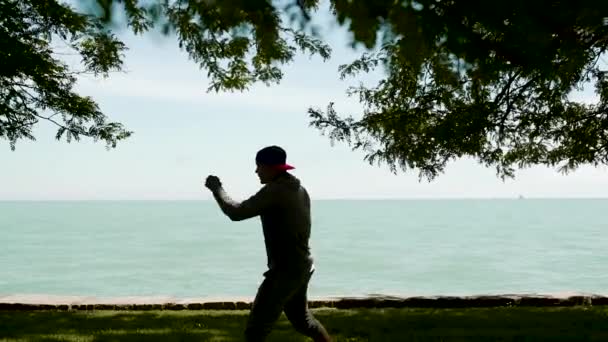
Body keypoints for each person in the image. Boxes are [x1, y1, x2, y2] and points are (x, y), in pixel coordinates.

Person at [204, 145, 332, 342]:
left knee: (256, 330)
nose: (256, 171)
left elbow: (236, 212)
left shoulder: (276, 191)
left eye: (259, 167)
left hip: (286, 270)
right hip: (302, 264)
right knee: (302, 320)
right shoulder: (299, 189)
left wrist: (217, 189)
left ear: (271, 167)